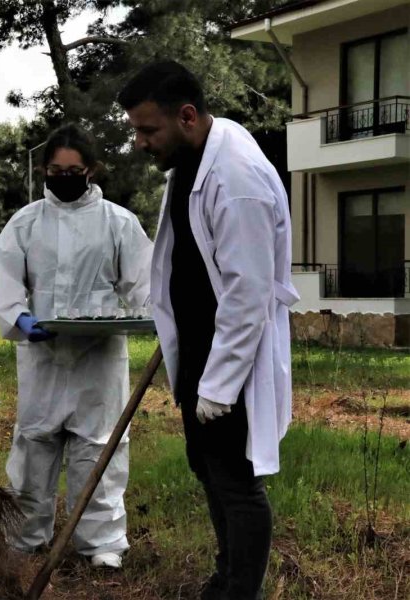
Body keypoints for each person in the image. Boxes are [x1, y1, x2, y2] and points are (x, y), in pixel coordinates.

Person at [119, 61, 298, 599]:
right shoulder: (191, 162)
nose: (140, 142)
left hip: (232, 360)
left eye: (148, 130)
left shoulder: (235, 177)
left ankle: (241, 592)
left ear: (188, 116)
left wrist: (219, 387)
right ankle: (225, 580)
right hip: (200, 349)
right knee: (209, 468)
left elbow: (247, 295)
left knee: (237, 483)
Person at [0, 124, 153, 568]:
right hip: (41, 356)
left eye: (73, 170)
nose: (63, 177)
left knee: (98, 449)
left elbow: (144, 283)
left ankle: (101, 544)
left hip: (98, 359)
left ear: (91, 170)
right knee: (34, 447)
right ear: (45, 170)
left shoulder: (118, 222)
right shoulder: (26, 222)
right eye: (55, 170)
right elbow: (4, 274)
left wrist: (156, 318)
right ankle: (25, 538)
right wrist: (18, 316)